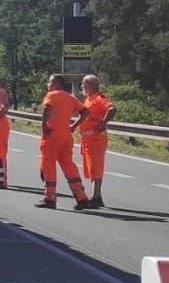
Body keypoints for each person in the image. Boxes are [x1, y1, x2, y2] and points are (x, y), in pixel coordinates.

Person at [37, 74, 94, 210]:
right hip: (66, 136)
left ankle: (49, 198)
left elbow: (47, 108)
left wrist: (44, 126)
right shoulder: (70, 98)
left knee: (48, 164)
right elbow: (85, 112)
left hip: (52, 135)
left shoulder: (51, 95)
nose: (48, 85)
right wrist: (74, 126)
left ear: (57, 84)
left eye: (50, 82)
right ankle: (81, 197)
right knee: (69, 165)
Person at [74, 75, 117, 208]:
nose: (82, 87)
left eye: (84, 84)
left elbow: (112, 109)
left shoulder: (100, 98)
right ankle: (97, 197)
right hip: (87, 141)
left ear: (91, 84)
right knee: (92, 169)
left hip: (96, 140)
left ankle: (95, 197)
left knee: (95, 168)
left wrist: (104, 122)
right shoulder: (88, 100)